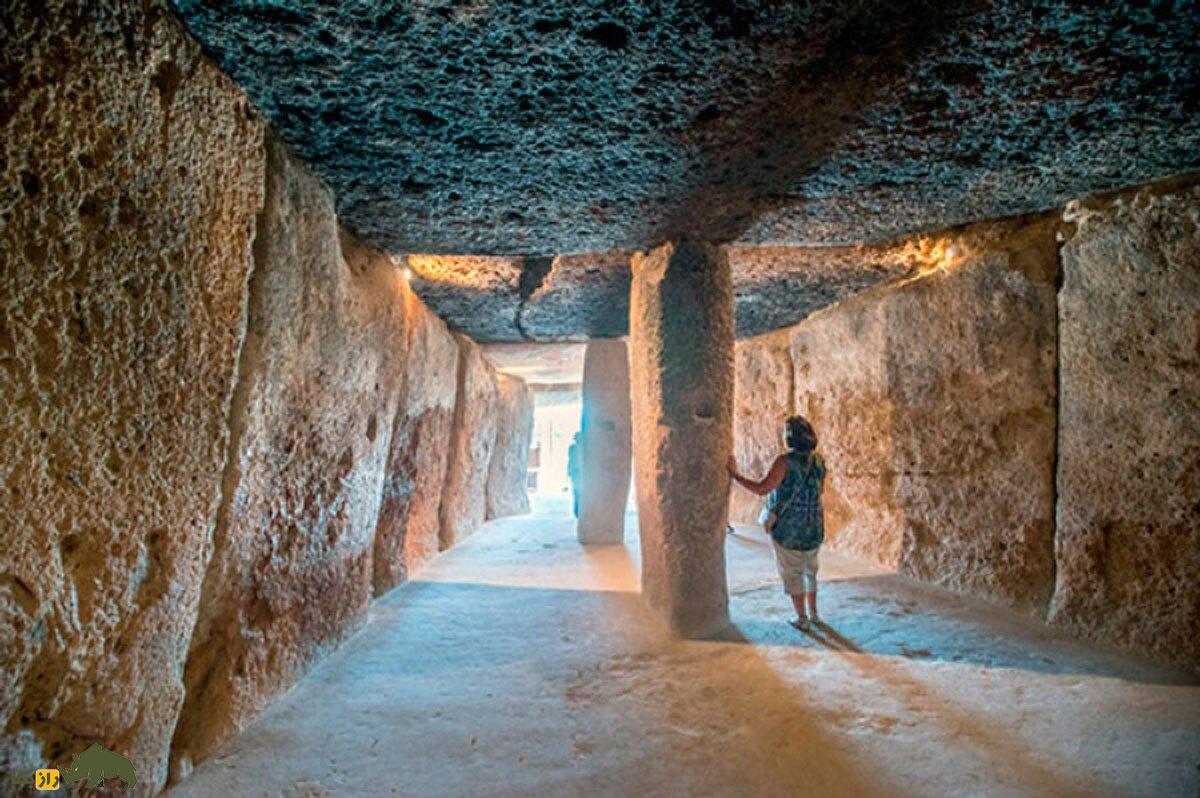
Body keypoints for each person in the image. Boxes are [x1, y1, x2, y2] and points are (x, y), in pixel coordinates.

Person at [727, 416, 826, 631]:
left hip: (789, 529)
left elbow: (763, 488)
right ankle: (814, 613)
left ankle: (802, 618)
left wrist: (736, 476)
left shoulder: (785, 462)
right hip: (814, 525)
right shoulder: (819, 460)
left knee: (792, 573)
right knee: (810, 571)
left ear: (790, 437)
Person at [567, 432, 582, 518]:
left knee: (577, 492)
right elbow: (570, 460)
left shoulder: (573, 448)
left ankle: (578, 510)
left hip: (578, 473)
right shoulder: (573, 448)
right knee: (577, 492)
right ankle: (577, 510)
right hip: (577, 473)